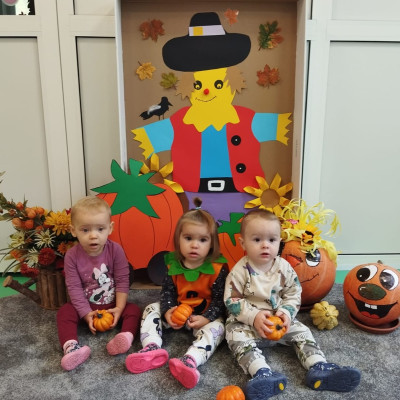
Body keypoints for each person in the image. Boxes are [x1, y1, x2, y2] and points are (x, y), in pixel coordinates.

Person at [224, 209, 361, 399]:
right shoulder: (239, 271)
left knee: (303, 331)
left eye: (271, 240)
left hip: (279, 321)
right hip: (247, 322)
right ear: (243, 243)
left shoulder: (284, 267)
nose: (265, 245)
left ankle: (319, 366)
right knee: (234, 335)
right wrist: (253, 316)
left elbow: (293, 293)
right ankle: (261, 373)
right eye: (257, 240)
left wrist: (286, 313)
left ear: (279, 242)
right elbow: (232, 300)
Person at [126, 198, 228, 389]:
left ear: (211, 243)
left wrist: (206, 318)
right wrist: (167, 311)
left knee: (220, 327)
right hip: (177, 313)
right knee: (151, 308)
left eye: (202, 240)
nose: (195, 245)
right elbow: (167, 292)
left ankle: (191, 360)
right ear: (178, 239)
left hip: (203, 316)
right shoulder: (173, 264)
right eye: (188, 238)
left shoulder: (217, 268)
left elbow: (219, 301)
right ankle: (151, 346)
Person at [56, 196, 141, 371]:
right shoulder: (71, 256)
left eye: (100, 229)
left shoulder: (115, 250)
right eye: (85, 230)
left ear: (110, 228)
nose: (93, 235)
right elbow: (74, 287)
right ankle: (71, 347)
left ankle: (126, 337)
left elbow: (122, 280)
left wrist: (119, 308)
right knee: (64, 312)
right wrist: (85, 313)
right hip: (86, 306)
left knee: (134, 310)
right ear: (73, 231)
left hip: (112, 305)